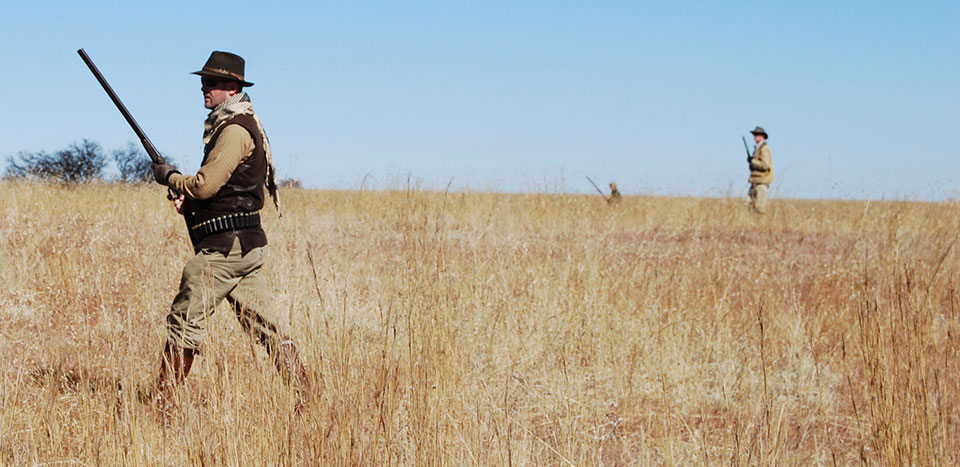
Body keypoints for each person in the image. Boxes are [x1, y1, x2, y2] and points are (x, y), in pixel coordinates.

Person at [150, 51, 309, 404]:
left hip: (224, 249)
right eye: (204, 82)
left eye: (212, 83)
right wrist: (192, 206)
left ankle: (160, 408)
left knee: (183, 322)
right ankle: (309, 399)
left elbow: (205, 185)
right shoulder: (240, 123)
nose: (204, 88)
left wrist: (172, 179)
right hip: (245, 246)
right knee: (267, 328)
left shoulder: (234, 130)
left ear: (232, 88)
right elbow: (227, 193)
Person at [747, 126, 773, 213]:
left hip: (762, 181)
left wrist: (753, 161)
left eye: (757, 134)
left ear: (762, 136)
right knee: (749, 205)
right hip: (755, 180)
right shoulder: (758, 148)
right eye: (755, 134)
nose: (755, 137)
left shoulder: (764, 148)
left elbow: (765, 165)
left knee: (759, 208)